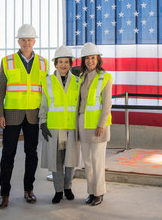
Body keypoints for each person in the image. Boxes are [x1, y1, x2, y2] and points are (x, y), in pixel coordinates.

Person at [0, 24, 49, 209]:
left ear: (34, 41)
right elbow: (0, 88)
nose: (27, 43)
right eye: (23, 40)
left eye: (30, 40)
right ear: (18, 41)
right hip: (11, 114)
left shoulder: (43, 62)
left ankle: (29, 190)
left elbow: (47, 91)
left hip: (33, 115)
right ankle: (4, 194)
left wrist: (46, 115)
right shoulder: (7, 61)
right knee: (8, 154)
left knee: (31, 154)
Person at [39, 45, 81, 204]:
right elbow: (44, 105)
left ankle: (68, 187)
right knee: (56, 161)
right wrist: (42, 123)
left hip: (71, 127)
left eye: (66, 62)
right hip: (54, 127)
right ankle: (58, 190)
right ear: (55, 63)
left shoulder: (77, 81)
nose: (63, 65)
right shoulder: (47, 81)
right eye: (60, 61)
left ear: (71, 64)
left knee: (70, 161)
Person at [77, 42, 113, 206]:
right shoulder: (82, 77)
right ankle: (91, 191)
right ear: (83, 60)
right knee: (87, 161)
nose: (90, 61)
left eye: (93, 58)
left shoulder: (105, 77)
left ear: (98, 59)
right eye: (87, 58)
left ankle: (99, 192)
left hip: (98, 124)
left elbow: (106, 104)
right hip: (83, 123)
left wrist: (101, 125)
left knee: (98, 161)